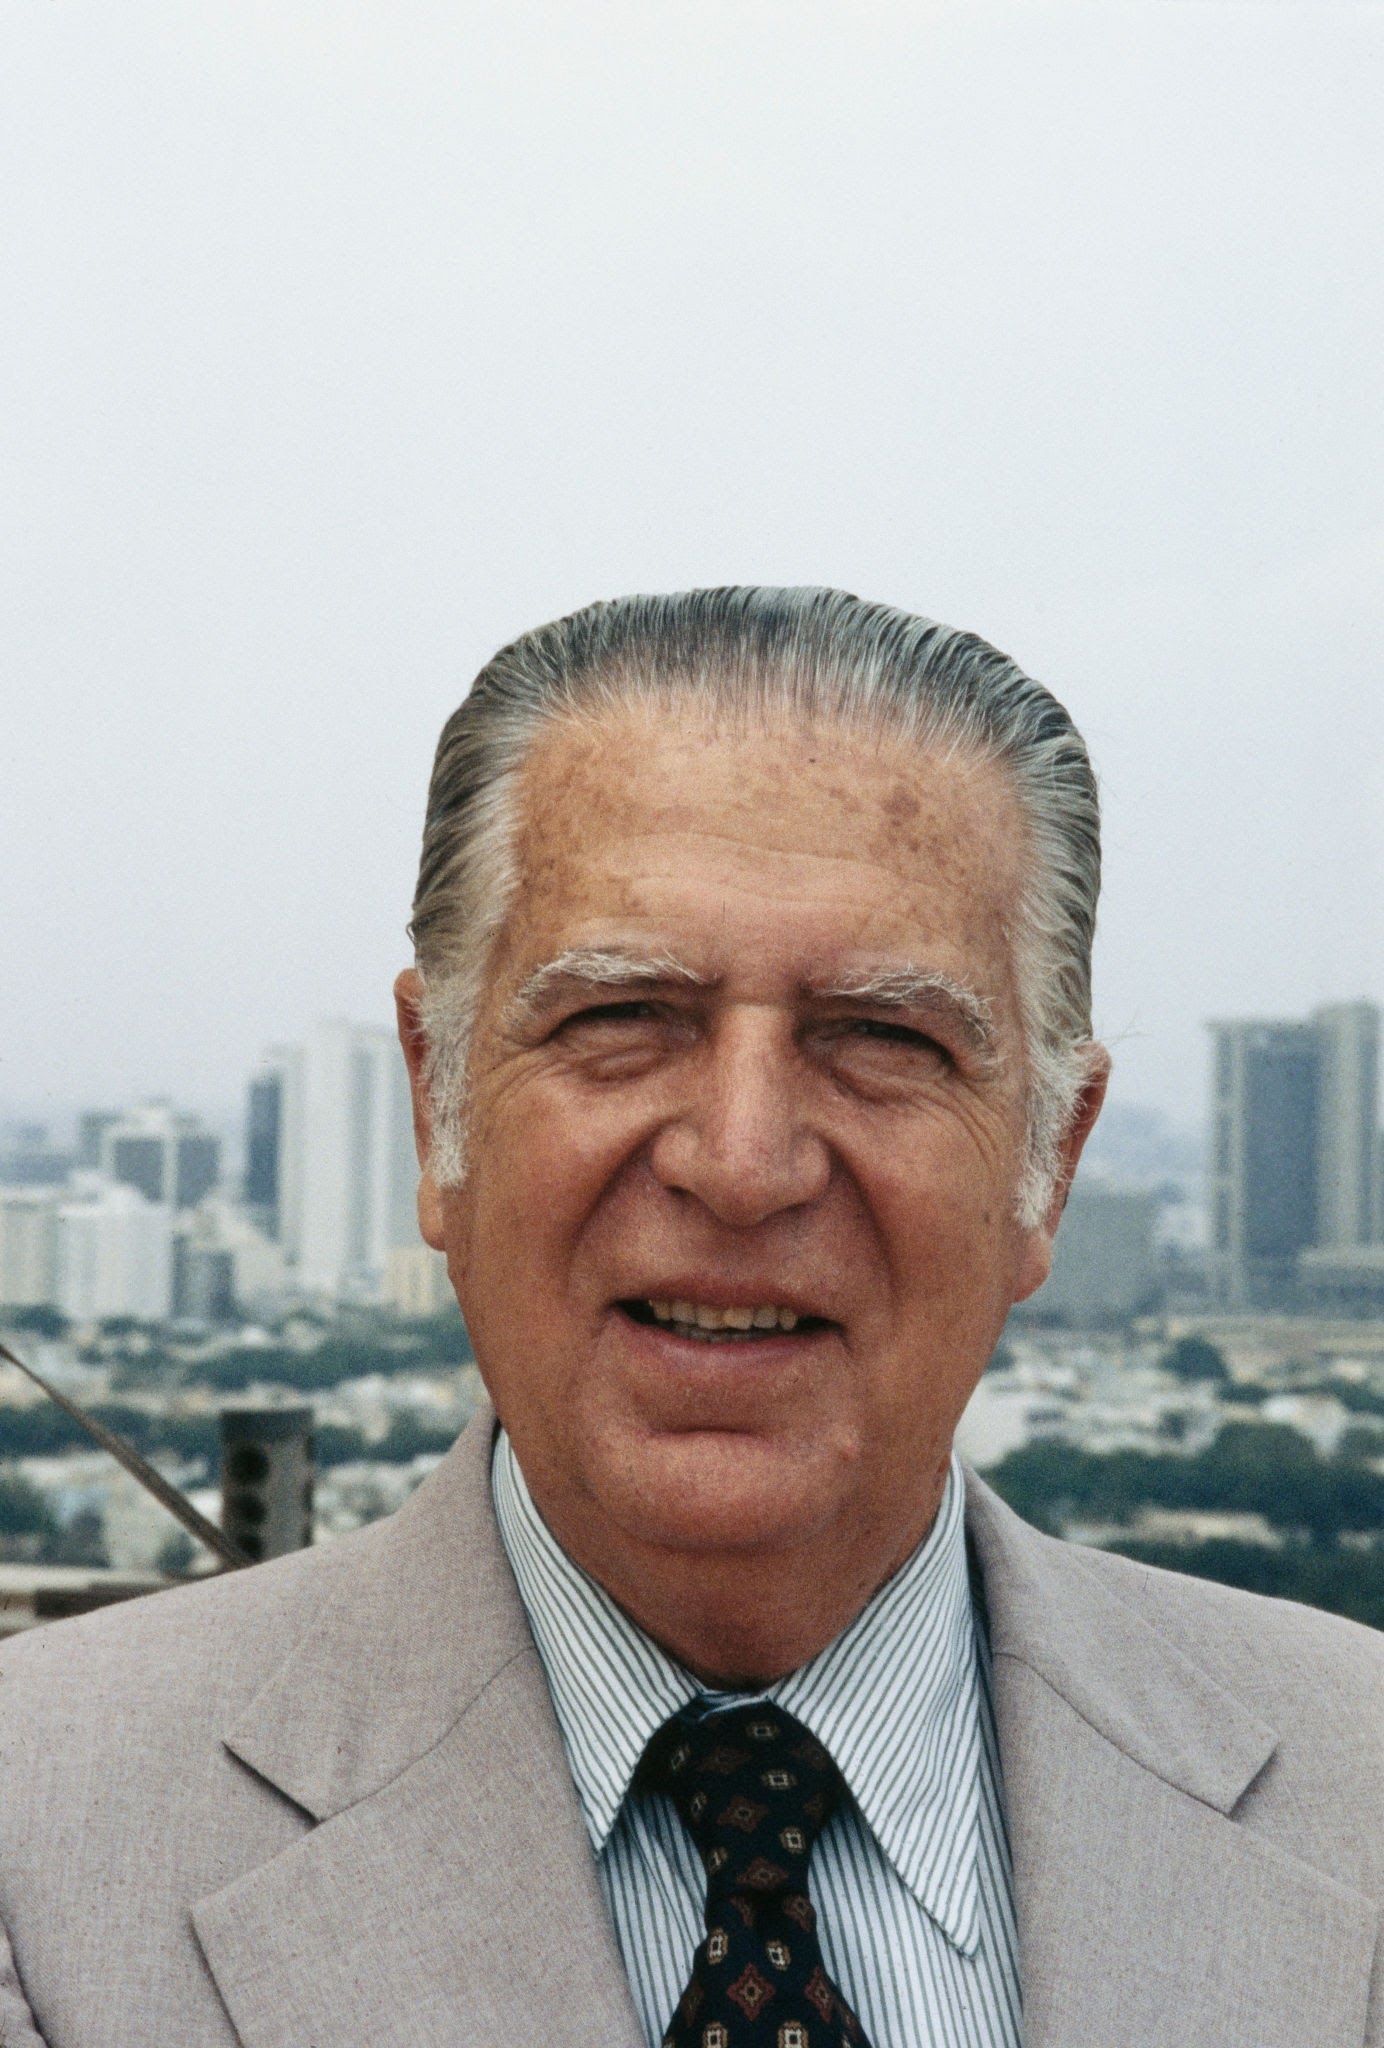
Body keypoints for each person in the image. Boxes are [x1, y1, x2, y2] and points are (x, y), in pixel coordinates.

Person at [0, 588, 1379, 2048]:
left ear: (1052, 1160)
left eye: (883, 1037)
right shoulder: (39, 1841)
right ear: (437, 1107)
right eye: (620, 1018)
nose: (741, 1161)